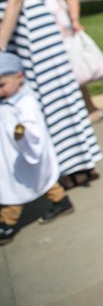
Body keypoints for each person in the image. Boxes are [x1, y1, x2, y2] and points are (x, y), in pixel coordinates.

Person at [0, 0, 102, 189]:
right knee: (55, 99)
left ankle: (71, 167)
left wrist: (1, 42)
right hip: (31, 30)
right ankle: (73, 165)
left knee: (50, 100)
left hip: (30, 32)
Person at [30, 0, 102, 122]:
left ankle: (88, 106)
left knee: (72, 65)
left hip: (58, 19)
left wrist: (75, 19)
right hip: (37, 21)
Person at [0, 52, 74, 245]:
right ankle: (62, 202)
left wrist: (21, 132)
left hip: (23, 153)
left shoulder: (25, 102)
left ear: (19, 77)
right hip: (9, 155)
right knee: (41, 181)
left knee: (14, 189)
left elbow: (30, 127)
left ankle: (7, 223)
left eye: (2, 85)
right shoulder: (7, 100)